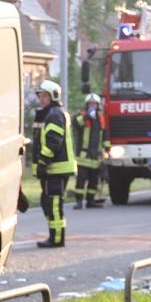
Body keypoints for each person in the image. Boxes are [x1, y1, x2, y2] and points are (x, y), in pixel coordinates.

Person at [31, 80, 76, 248]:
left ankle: (56, 239)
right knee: (48, 203)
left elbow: (53, 142)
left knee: (54, 204)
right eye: (40, 96)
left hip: (56, 169)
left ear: (53, 96)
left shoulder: (55, 114)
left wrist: (43, 161)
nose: (41, 99)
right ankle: (54, 236)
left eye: (44, 96)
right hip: (53, 169)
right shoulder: (49, 114)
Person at [72, 93, 108, 209]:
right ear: (87, 105)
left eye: (94, 104)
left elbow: (104, 134)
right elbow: (76, 123)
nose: (92, 105)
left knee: (94, 180)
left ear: (98, 105)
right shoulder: (82, 115)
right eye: (90, 104)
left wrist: (107, 147)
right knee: (81, 180)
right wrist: (87, 116)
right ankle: (78, 201)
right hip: (84, 155)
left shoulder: (100, 118)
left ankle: (90, 201)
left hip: (96, 156)